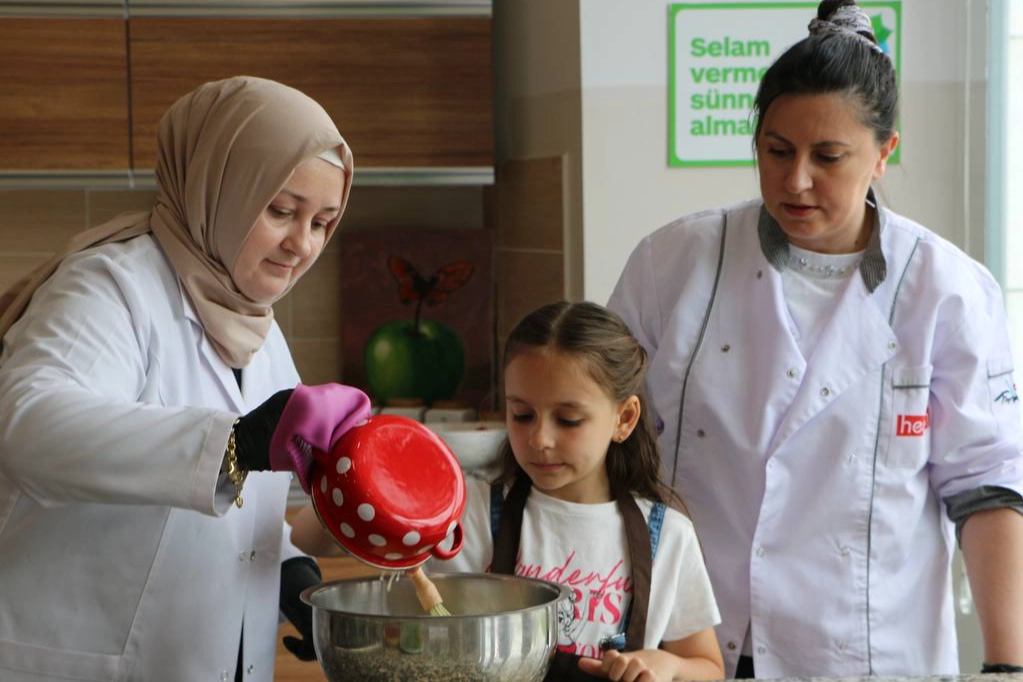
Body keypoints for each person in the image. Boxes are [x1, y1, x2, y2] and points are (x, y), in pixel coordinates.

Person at [606, 0, 1023, 678]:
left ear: (884, 152)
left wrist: (1007, 666)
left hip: (868, 651)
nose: (794, 180)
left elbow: (987, 490)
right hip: (690, 641)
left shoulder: (943, 289)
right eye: (776, 151)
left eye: (827, 157)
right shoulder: (673, 262)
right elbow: (605, 435)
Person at [0, 76, 373, 682]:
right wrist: (240, 441)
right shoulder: (110, 288)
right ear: (217, 186)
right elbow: (28, 425)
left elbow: (233, 522)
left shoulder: (258, 329)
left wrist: (295, 585)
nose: (300, 244)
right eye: (281, 210)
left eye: (323, 222)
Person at [293, 300, 725, 682]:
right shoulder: (470, 513)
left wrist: (666, 666)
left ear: (624, 419)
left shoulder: (667, 535)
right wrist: (352, 466)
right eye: (522, 415)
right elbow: (307, 537)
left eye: (568, 420)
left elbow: (706, 665)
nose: (540, 438)